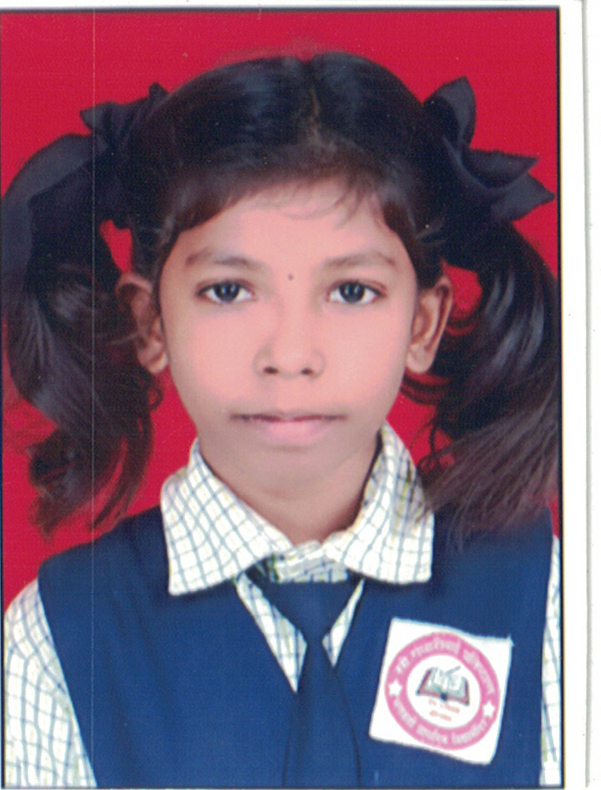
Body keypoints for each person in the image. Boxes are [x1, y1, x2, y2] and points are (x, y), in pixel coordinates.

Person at [3, 52, 560, 788]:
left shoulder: (552, 599)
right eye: (229, 290)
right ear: (151, 323)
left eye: (352, 291)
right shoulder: (56, 636)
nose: (290, 356)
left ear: (422, 324)